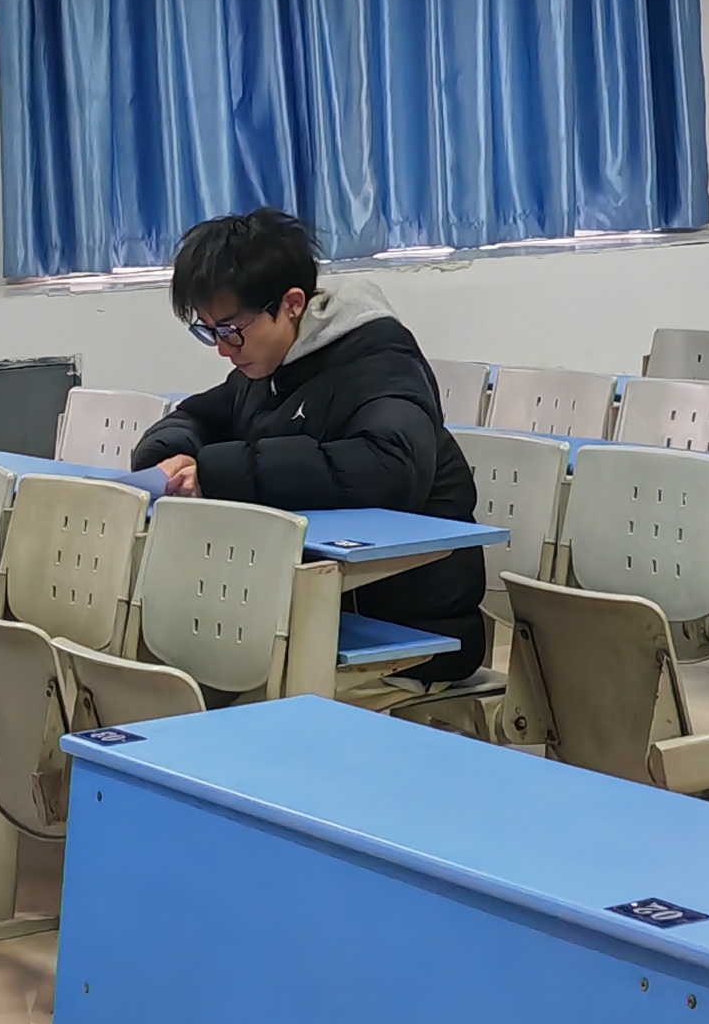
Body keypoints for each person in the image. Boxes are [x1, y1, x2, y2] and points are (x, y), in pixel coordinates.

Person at [128, 207, 489, 680]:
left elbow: (388, 465)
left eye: (231, 330)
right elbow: (195, 416)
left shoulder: (379, 360)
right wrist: (170, 457)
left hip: (409, 625)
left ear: (292, 304)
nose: (222, 348)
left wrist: (218, 473)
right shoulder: (268, 367)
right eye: (209, 331)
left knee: (213, 672)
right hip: (308, 611)